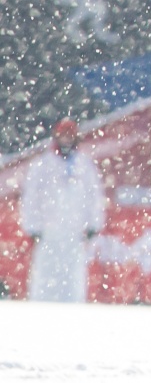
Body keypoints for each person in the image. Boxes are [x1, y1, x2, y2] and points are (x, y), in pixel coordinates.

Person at [18, 120, 106, 303]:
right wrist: (32, 226)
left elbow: (94, 196)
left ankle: (72, 312)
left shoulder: (85, 166)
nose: (66, 140)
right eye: (63, 135)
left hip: (74, 233)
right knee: (45, 276)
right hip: (48, 232)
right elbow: (31, 198)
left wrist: (93, 224)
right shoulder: (42, 165)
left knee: (74, 277)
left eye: (70, 135)